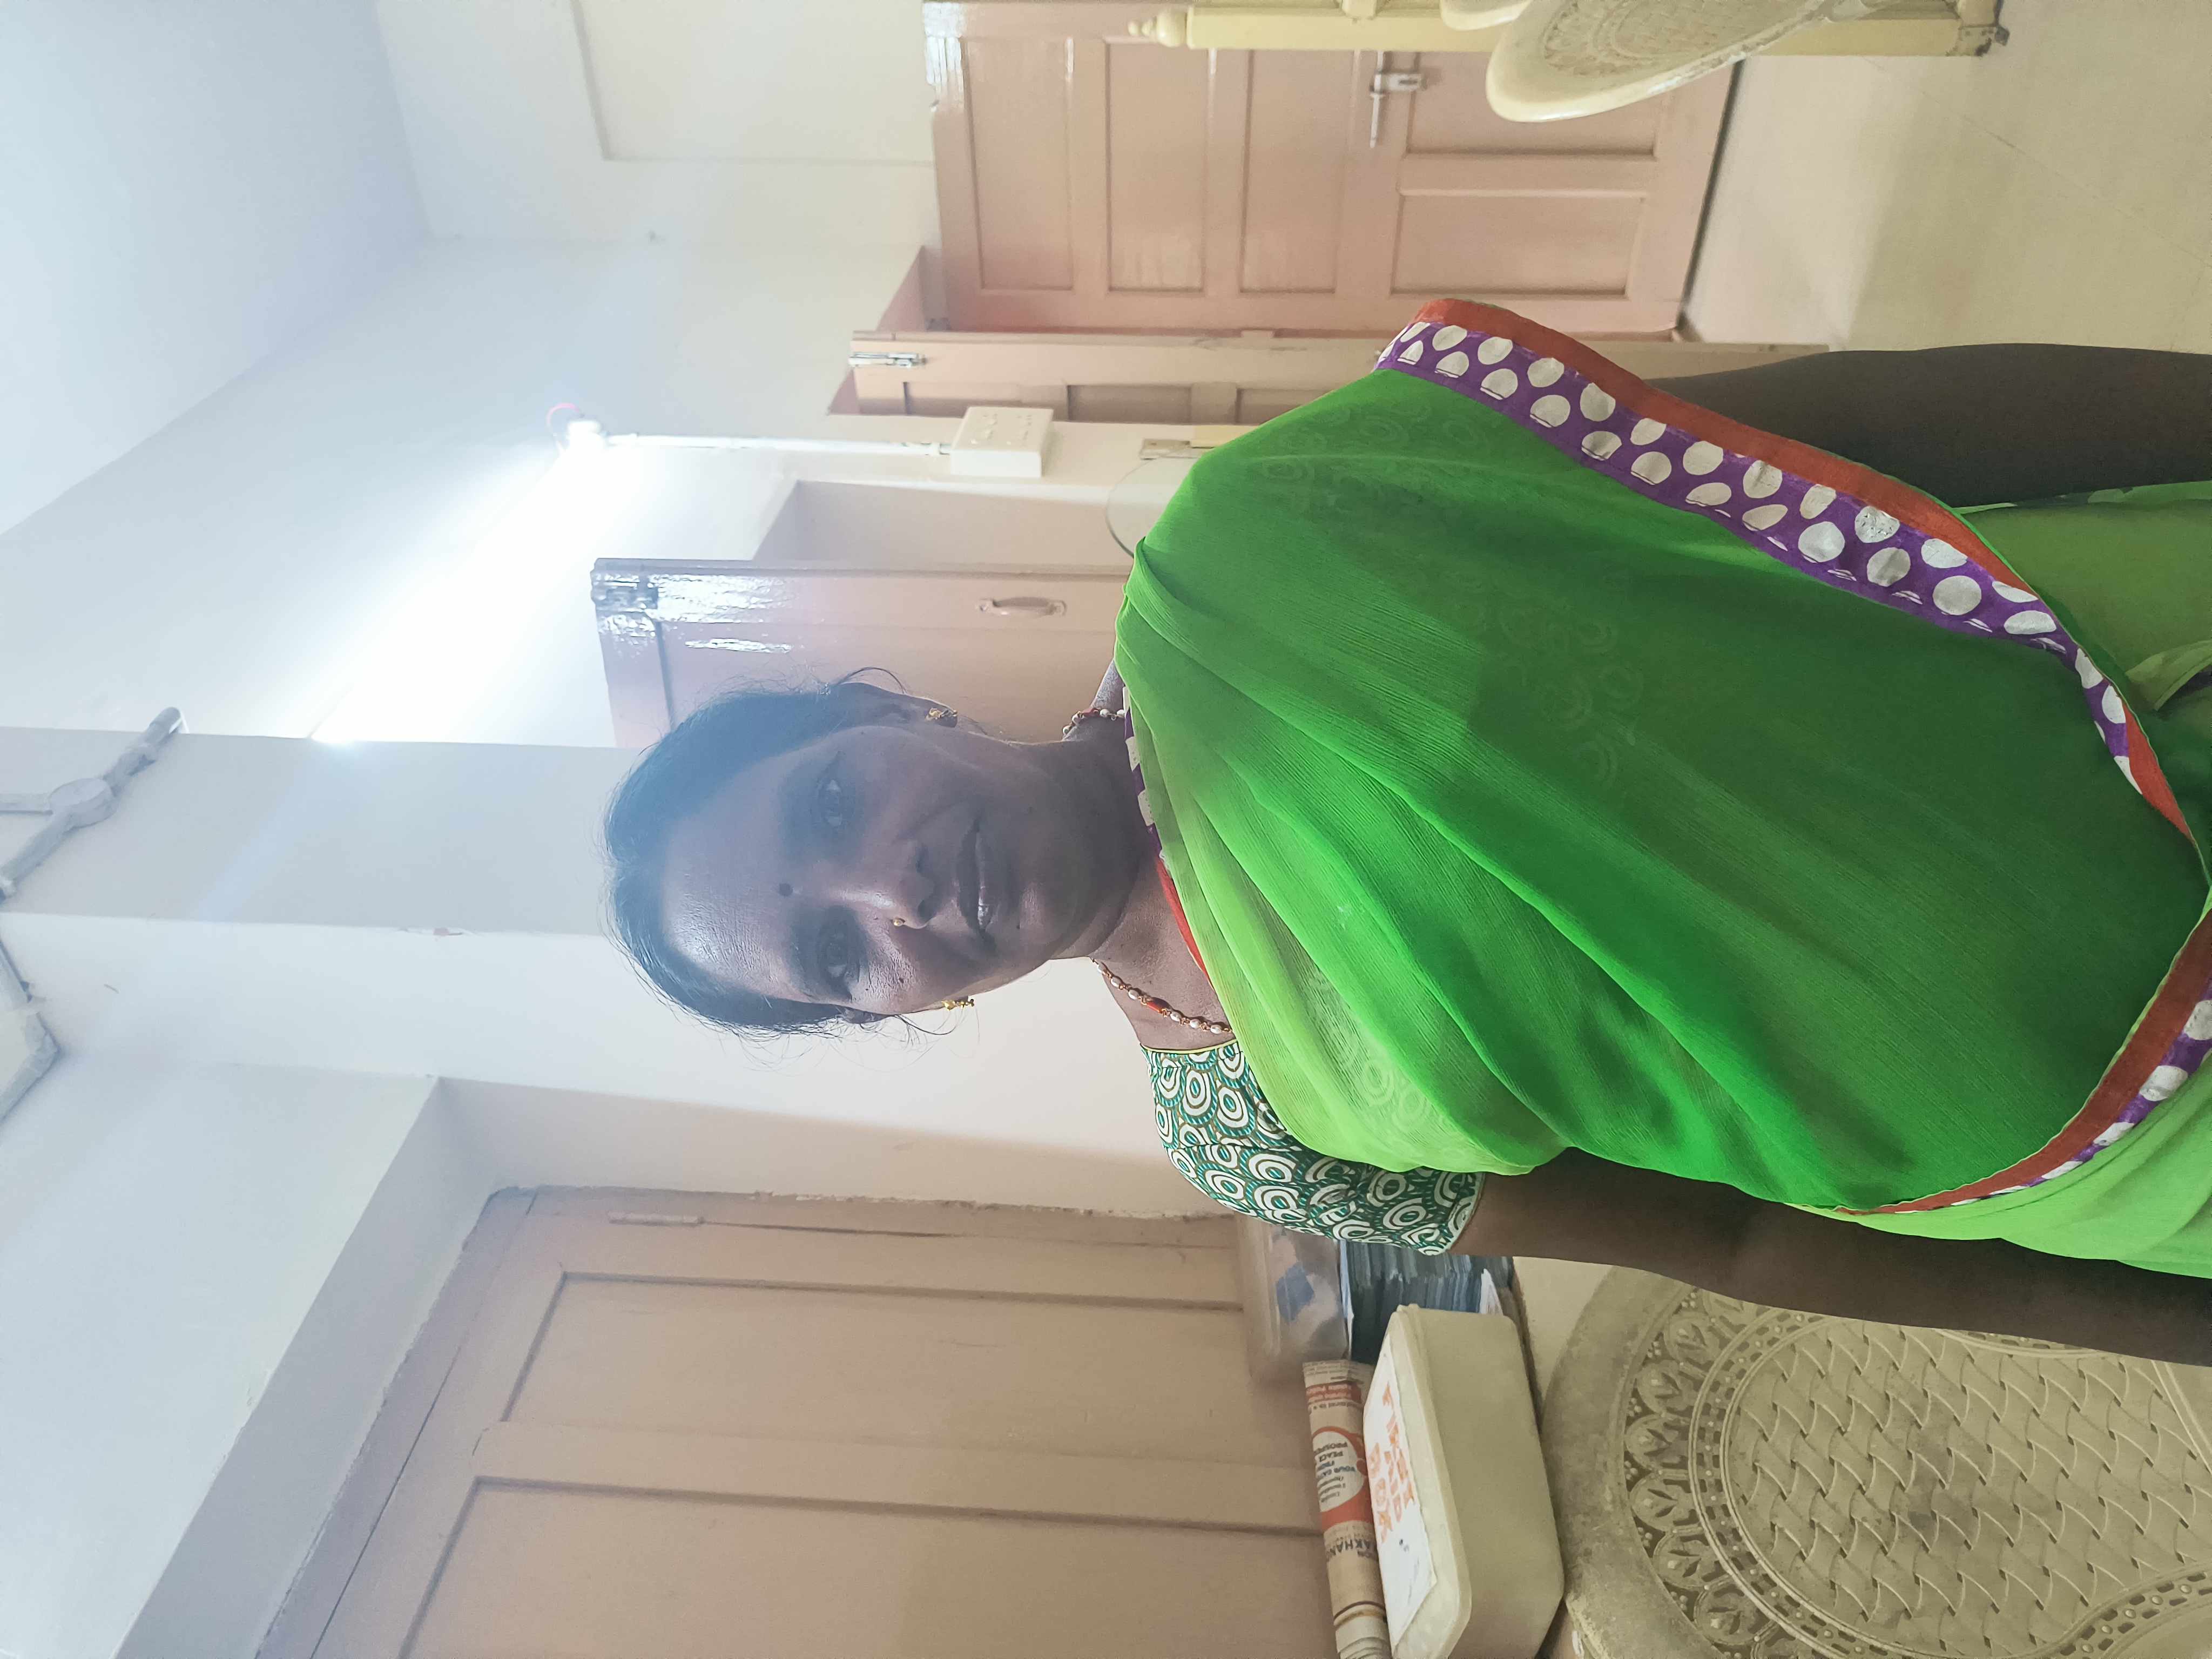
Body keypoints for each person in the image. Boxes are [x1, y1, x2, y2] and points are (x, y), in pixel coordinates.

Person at [605, 300, 2212, 1364]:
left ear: (894, 716)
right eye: (836, 954)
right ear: (897, 1011)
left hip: (2140, 692)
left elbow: (1855, 428)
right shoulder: (1243, 1133)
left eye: (833, 802)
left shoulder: (1262, 544)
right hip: (2139, 1159)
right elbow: (1731, 1237)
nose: (888, 889)